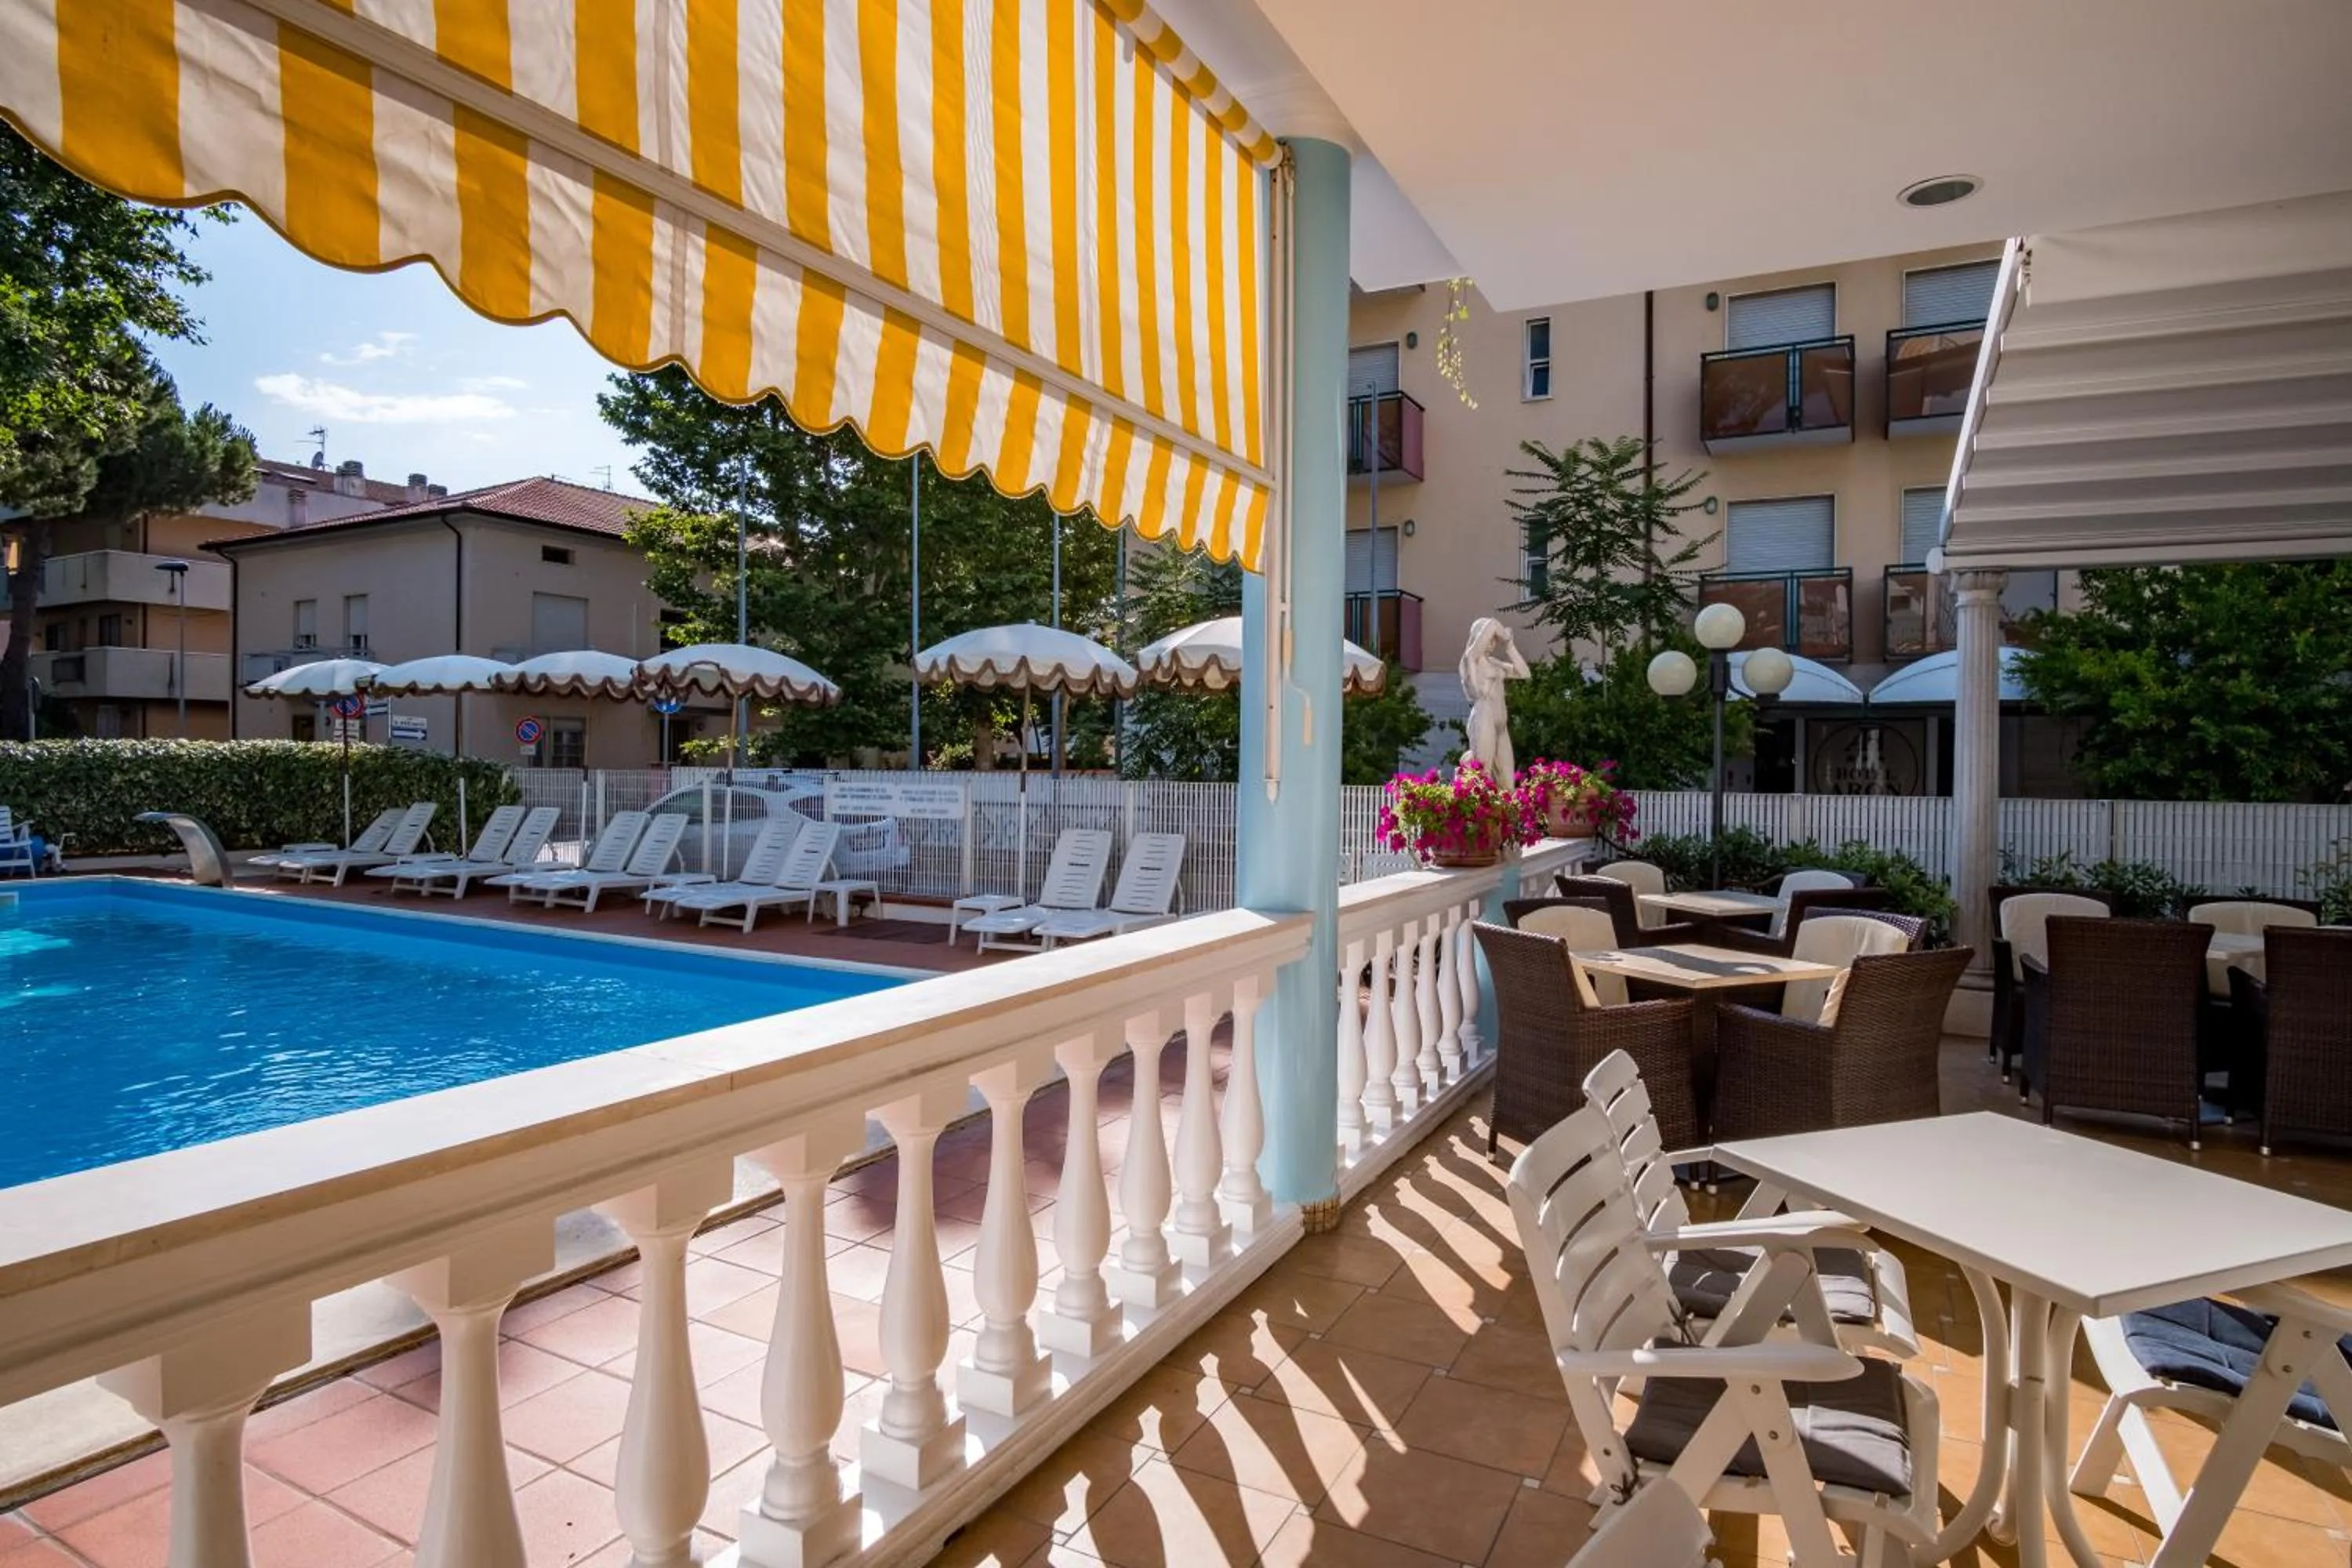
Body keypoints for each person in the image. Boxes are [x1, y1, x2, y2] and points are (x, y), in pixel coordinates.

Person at [1459, 617, 1530, 786]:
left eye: (1494, 640)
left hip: (1501, 725)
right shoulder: (1470, 662)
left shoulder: (1495, 663)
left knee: (1508, 785)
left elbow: (1524, 673)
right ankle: (1472, 810)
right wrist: (1503, 634)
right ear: (1477, 637)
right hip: (1484, 718)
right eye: (1489, 638)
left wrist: (1510, 647)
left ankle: (1508, 812)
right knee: (1481, 777)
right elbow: (1491, 624)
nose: (1492, 642)